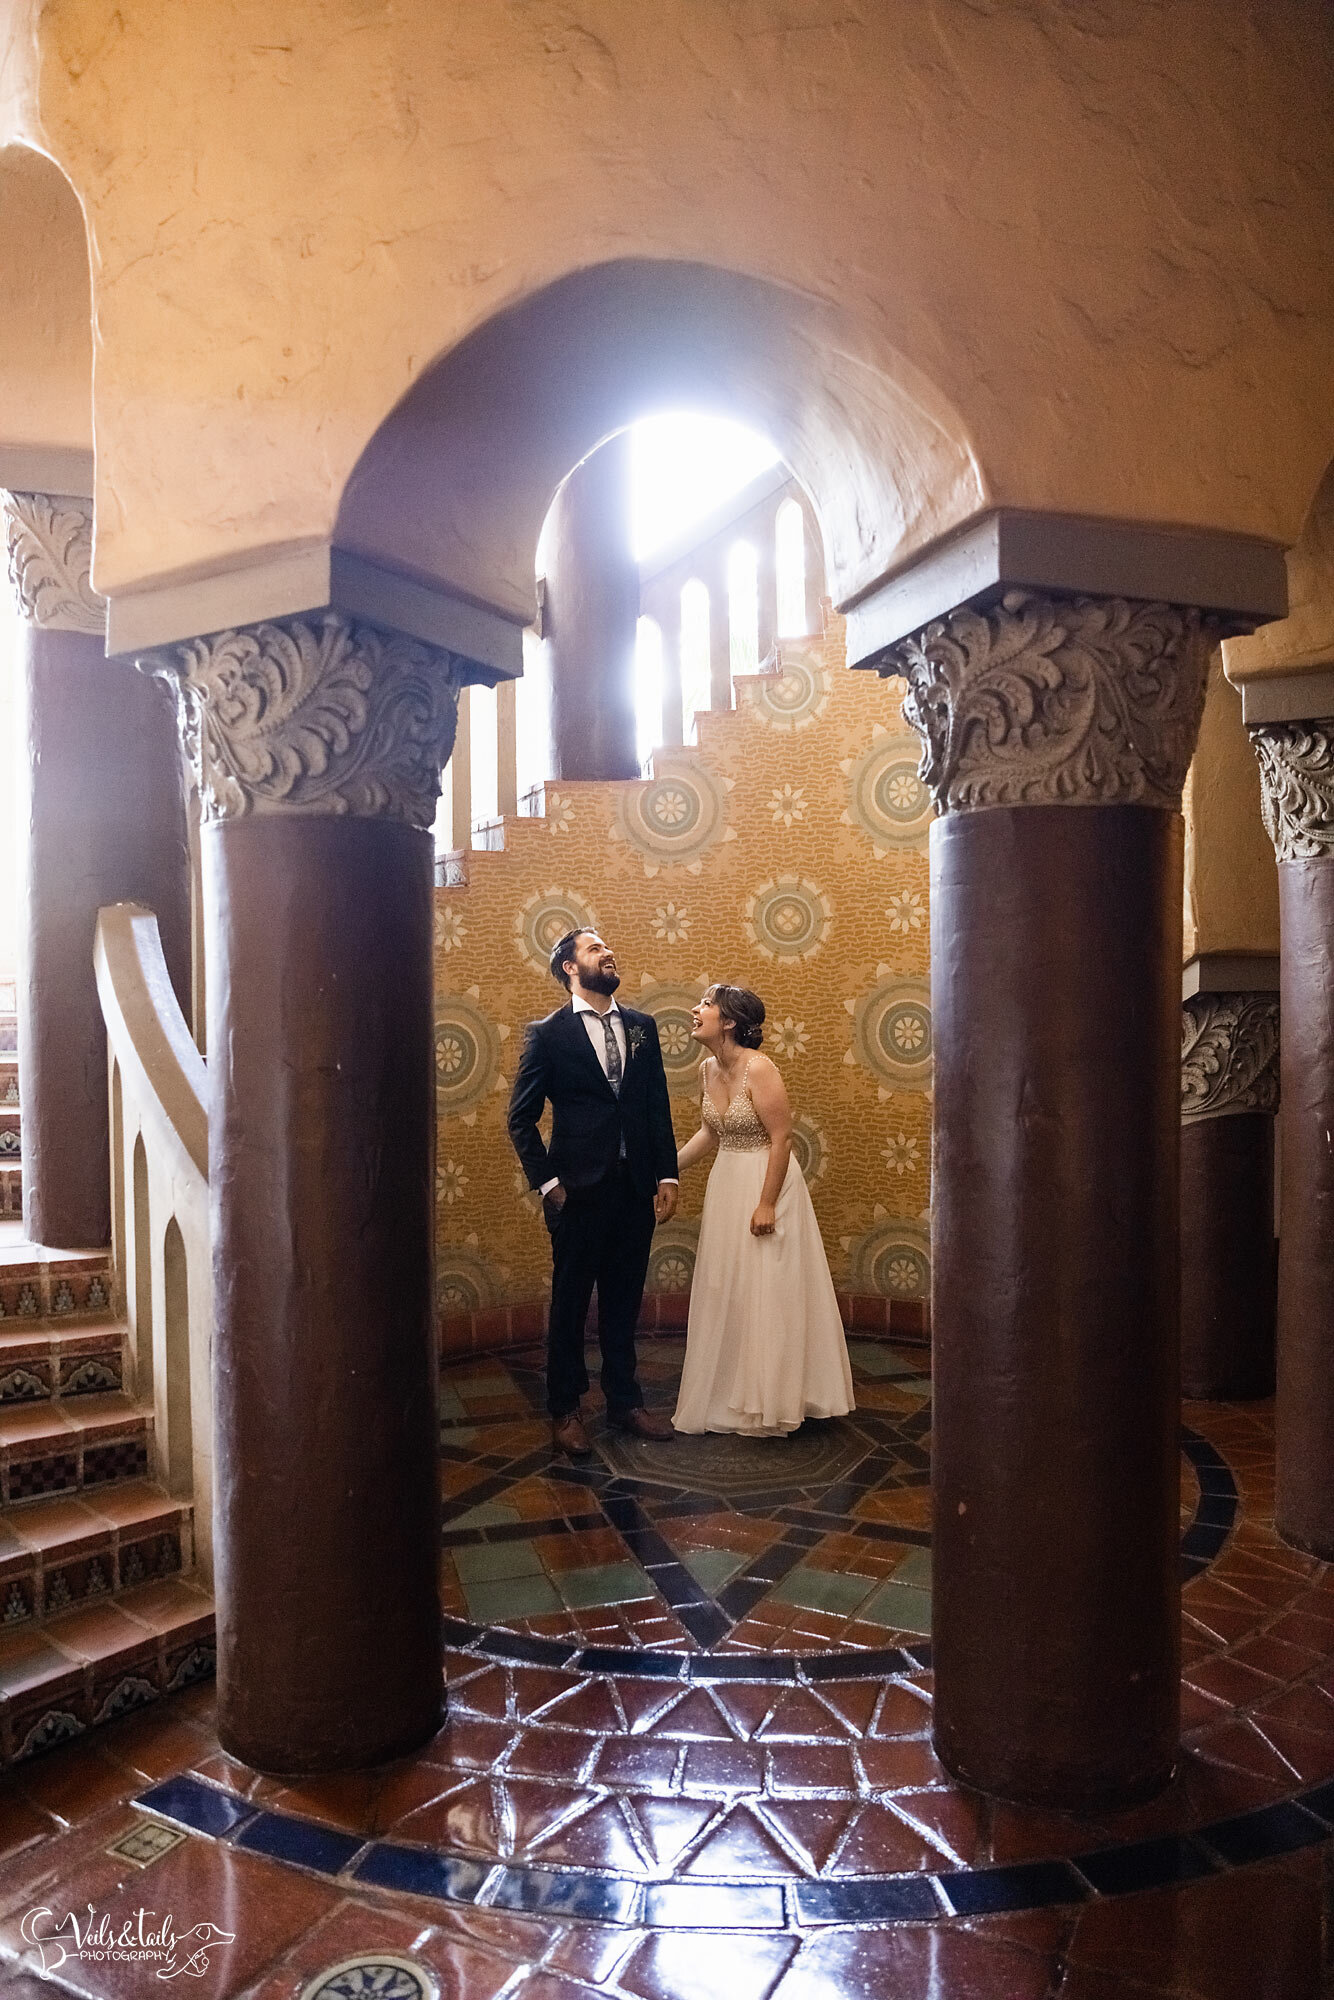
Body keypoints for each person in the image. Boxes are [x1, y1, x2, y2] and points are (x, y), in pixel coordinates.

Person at [508, 927, 679, 1458]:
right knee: (570, 1304)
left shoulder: (642, 1028)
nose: (607, 952)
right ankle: (565, 1409)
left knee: (624, 1301)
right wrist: (551, 1186)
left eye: (607, 946)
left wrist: (667, 1175)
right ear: (568, 968)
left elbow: (655, 1106)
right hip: (577, 1195)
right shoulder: (548, 1034)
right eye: (593, 948)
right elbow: (521, 1119)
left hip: (634, 1190)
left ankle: (625, 1402)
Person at [673, 982, 854, 1435]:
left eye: (706, 1005)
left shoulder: (761, 1067)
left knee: (767, 1288)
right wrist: (664, 1171)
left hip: (765, 1182)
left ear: (730, 1021)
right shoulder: (706, 1069)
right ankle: (733, 1393)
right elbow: (709, 1134)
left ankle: (772, 1398)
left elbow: (781, 1138)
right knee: (729, 1286)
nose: (695, 1010)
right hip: (726, 1183)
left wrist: (767, 1203)